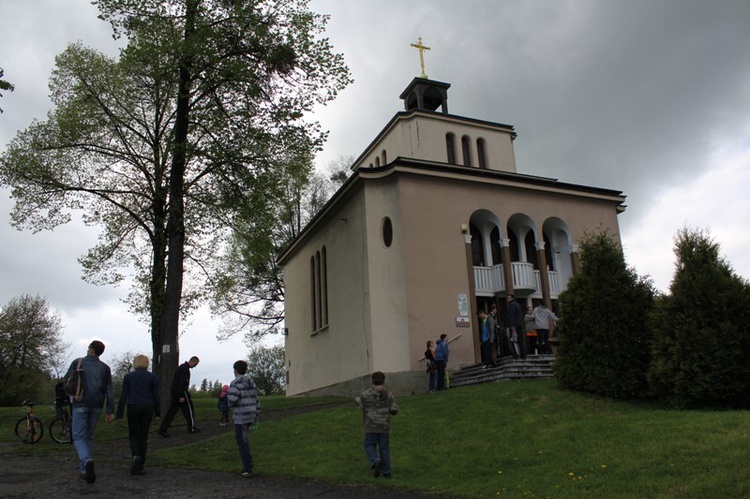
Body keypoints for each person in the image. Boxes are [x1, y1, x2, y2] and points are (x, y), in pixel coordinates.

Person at [65, 340, 114, 484]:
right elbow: (110, 390)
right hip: (97, 404)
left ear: (91, 350)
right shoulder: (105, 368)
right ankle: (84, 470)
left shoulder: (78, 362)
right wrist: (110, 410)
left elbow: (66, 379)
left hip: (80, 401)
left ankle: (86, 461)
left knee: (78, 436)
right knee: (89, 436)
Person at [116, 354, 161, 475]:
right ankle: (141, 463)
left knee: (133, 434)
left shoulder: (129, 377)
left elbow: (124, 396)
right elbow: (156, 396)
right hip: (148, 406)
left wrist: (119, 414)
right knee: (143, 435)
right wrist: (158, 412)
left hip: (133, 406)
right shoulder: (152, 377)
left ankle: (136, 455)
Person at [354, 371, 399, 479]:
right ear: (383, 381)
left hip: (371, 425)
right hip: (384, 426)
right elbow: (394, 409)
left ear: (372, 380)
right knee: (384, 448)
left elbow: (360, 404)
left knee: (369, 445)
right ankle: (387, 472)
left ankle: (375, 460)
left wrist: (357, 401)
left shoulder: (366, 394)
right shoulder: (388, 394)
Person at [227, 360, 261, 478]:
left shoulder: (235, 383)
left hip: (241, 416)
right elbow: (256, 398)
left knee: (242, 442)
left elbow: (232, 400)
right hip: (251, 414)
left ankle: (247, 467)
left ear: (235, 371)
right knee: (243, 439)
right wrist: (257, 412)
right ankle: (248, 463)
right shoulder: (251, 383)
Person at [158, 356, 200, 437]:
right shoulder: (185, 369)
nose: (195, 366)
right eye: (196, 364)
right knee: (189, 410)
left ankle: (162, 429)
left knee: (172, 412)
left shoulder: (181, 367)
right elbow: (182, 383)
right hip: (182, 392)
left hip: (175, 392)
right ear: (193, 361)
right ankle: (192, 428)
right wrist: (181, 395)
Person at [505, 294, 526, 359]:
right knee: (521, 340)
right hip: (519, 324)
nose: (507, 300)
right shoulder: (517, 304)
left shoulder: (512, 305)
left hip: (514, 326)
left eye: (509, 298)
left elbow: (511, 316)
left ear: (512, 298)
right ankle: (523, 355)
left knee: (513, 340)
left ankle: (515, 355)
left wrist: (511, 326)